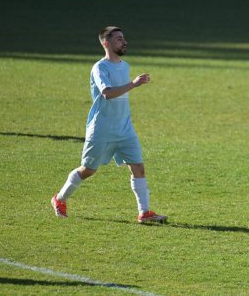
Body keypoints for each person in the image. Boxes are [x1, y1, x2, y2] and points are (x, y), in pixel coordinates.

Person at [51, 26, 168, 224]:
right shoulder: (100, 68)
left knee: (138, 168)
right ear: (106, 43)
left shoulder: (125, 65)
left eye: (123, 38)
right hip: (102, 130)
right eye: (119, 39)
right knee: (88, 170)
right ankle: (59, 199)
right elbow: (107, 93)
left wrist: (132, 84)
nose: (124, 42)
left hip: (124, 128)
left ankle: (144, 212)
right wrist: (133, 84)